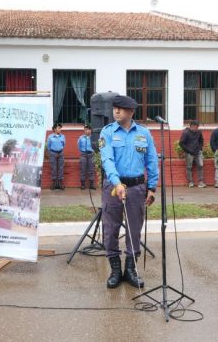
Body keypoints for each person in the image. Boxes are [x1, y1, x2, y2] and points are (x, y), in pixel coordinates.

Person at [99, 95, 158, 289]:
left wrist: (151, 187)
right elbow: (107, 160)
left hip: (137, 188)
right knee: (110, 230)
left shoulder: (144, 133)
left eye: (121, 109)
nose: (116, 111)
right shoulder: (107, 133)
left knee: (134, 230)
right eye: (114, 108)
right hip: (114, 188)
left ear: (131, 112)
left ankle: (130, 270)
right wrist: (117, 183)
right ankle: (115, 270)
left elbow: (151, 161)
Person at [179, 120, 206, 188]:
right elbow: (181, 143)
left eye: (197, 127)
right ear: (191, 126)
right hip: (189, 153)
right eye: (194, 127)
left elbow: (201, 141)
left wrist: (199, 149)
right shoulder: (186, 133)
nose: (195, 128)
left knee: (200, 166)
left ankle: (200, 182)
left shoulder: (199, 132)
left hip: (198, 152)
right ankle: (190, 182)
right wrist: (189, 151)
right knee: (189, 167)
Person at [47, 123, 65, 190]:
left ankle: (60, 184)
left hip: (60, 153)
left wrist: (60, 150)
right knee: (53, 168)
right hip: (53, 153)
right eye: (58, 128)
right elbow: (48, 146)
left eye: (60, 128)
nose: (59, 129)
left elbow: (63, 144)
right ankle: (54, 183)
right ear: (54, 129)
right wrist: (51, 153)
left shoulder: (62, 136)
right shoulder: (50, 137)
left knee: (61, 168)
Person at [77, 124, 96, 190]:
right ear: (84, 130)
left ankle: (91, 185)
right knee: (83, 170)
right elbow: (78, 146)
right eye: (86, 129)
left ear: (91, 130)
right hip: (83, 155)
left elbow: (97, 146)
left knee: (91, 170)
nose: (88, 131)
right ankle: (82, 185)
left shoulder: (93, 138)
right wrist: (82, 152)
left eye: (89, 129)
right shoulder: (81, 138)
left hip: (91, 155)